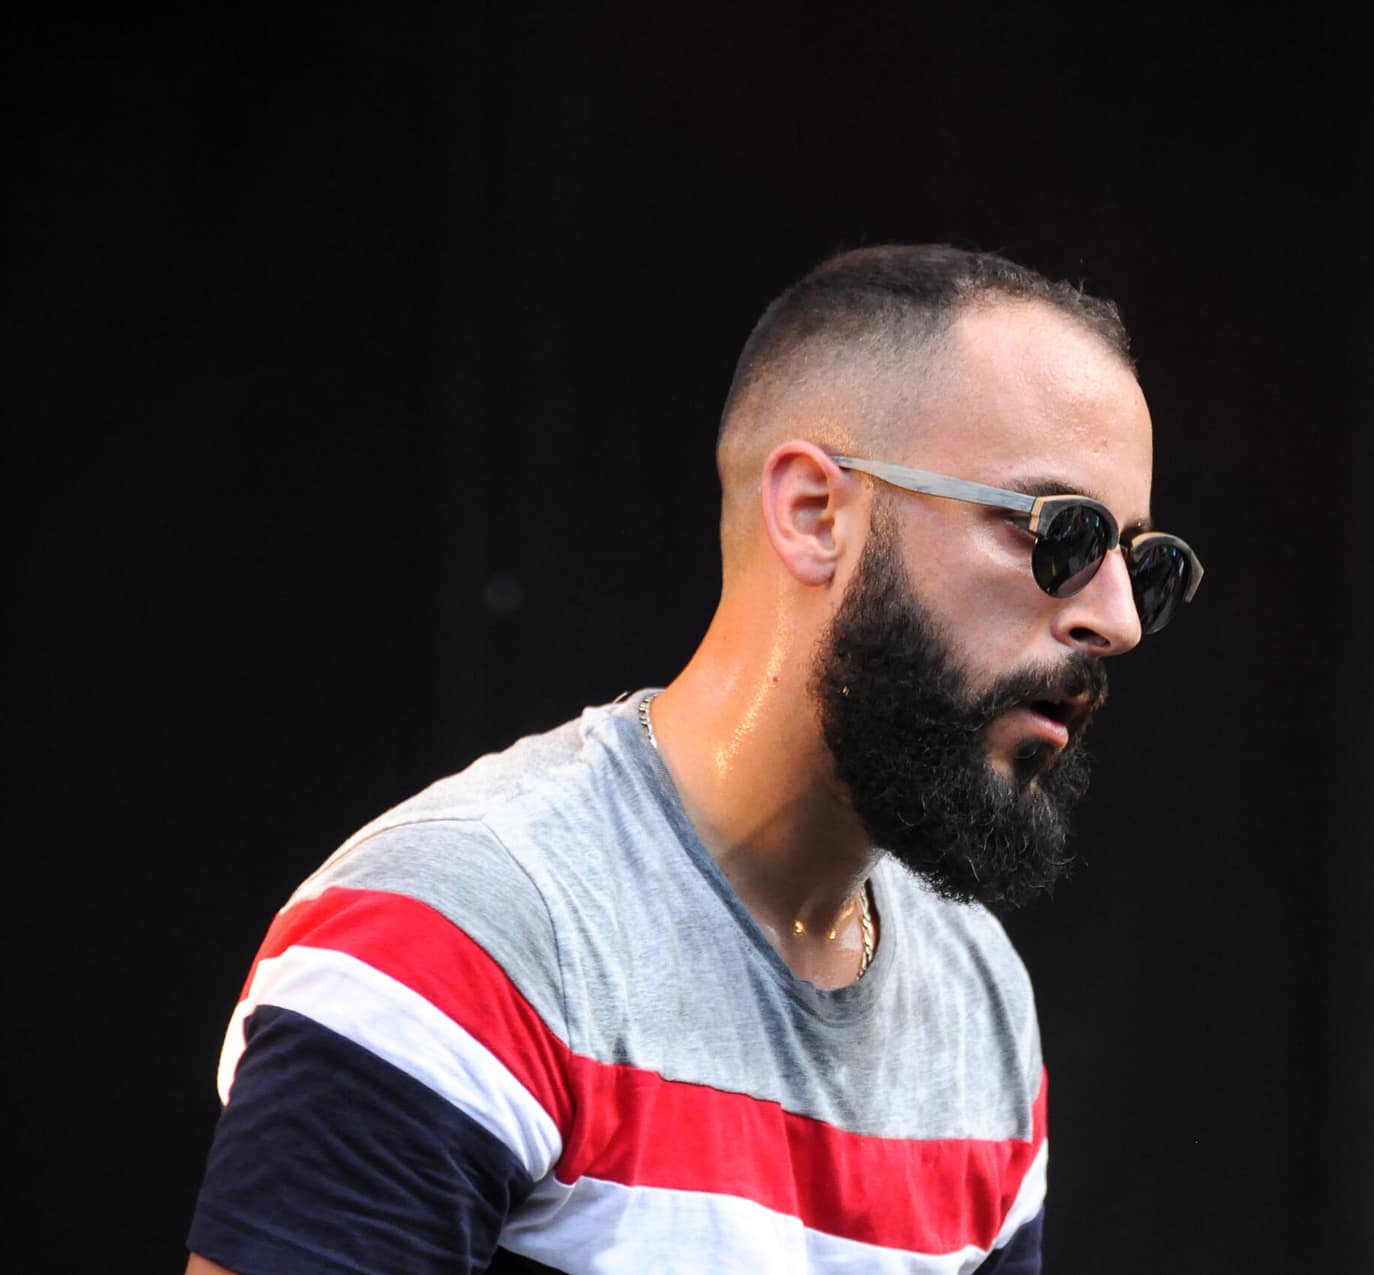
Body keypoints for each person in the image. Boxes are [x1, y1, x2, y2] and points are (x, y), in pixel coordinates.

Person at [184, 244, 1203, 1274]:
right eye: (1060, 534)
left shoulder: (975, 999)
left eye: (1143, 563)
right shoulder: (462, 937)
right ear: (814, 514)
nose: (1118, 620)